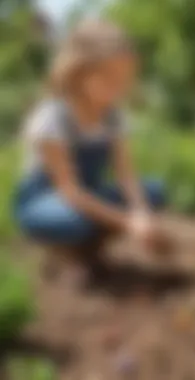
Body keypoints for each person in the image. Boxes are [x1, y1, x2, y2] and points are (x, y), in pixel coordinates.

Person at [14, 20, 168, 285]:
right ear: (79, 72)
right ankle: (63, 254)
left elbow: (126, 175)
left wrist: (141, 214)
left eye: (125, 80)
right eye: (110, 79)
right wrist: (129, 223)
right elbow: (70, 191)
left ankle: (90, 252)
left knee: (153, 191)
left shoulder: (113, 117)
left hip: (89, 194)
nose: (119, 87)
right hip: (47, 200)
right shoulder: (52, 118)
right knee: (76, 220)